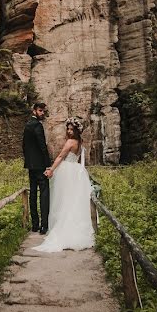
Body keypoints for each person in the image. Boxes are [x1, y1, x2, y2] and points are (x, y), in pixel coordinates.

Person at [32, 117, 95, 252]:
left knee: (63, 200)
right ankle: (73, 229)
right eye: (68, 128)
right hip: (76, 171)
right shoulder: (80, 142)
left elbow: (60, 157)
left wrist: (51, 170)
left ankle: (64, 230)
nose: (69, 131)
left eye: (72, 129)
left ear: (77, 131)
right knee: (72, 201)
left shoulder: (71, 142)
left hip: (67, 172)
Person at [22, 102, 52, 233]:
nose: (42, 113)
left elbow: (24, 146)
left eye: (43, 111)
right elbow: (42, 146)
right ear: (34, 111)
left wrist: (29, 161)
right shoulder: (37, 126)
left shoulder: (27, 125)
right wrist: (48, 164)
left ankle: (35, 225)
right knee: (44, 194)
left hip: (30, 166)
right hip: (40, 165)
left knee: (33, 193)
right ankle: (44, 226)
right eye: (40, 111)